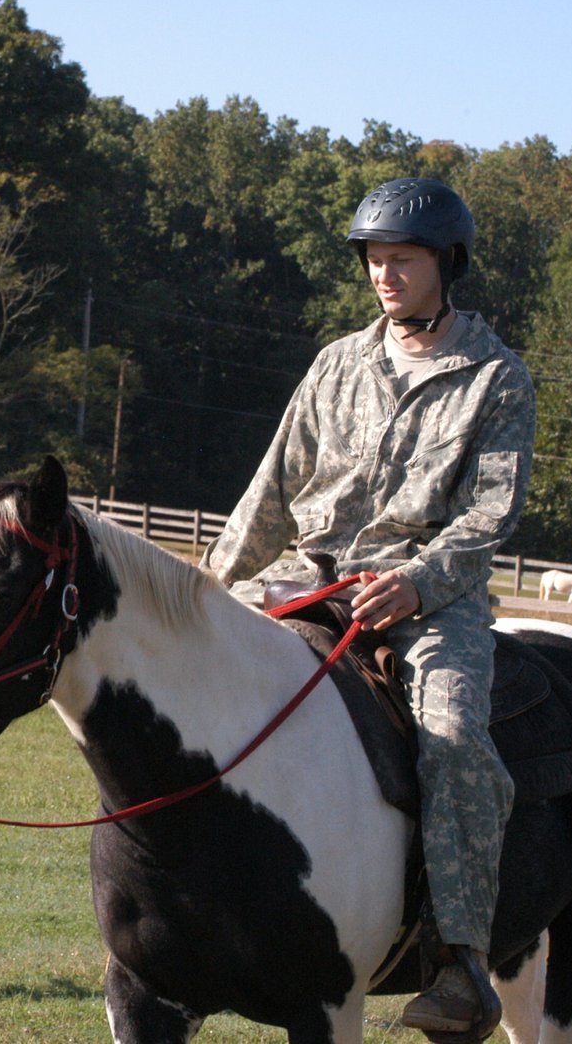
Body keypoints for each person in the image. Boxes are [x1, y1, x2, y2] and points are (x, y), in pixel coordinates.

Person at [201, 178, 535, 1036]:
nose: (385, 276)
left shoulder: (496, 378)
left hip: (428, 602)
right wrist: (206, 586)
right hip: (305, 579)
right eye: (376, 261)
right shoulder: (337, 364)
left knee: (456, 739)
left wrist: (419, 582)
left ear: (446, 265)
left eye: (404, 261)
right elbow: (272, 488)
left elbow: (488, 514)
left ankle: (459, 959)